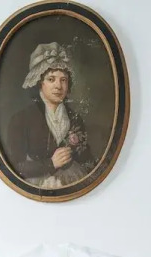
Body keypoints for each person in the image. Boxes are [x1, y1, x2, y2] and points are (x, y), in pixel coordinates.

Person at [6, 42, 94, 189]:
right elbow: (14, 166)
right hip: (36, 185)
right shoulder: (21, 119)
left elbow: (86, 158)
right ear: (40, 83)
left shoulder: (75, 118)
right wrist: (51, 164)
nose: (58, 86)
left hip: (72, 181)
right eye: (51, 79)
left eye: (63, 80)